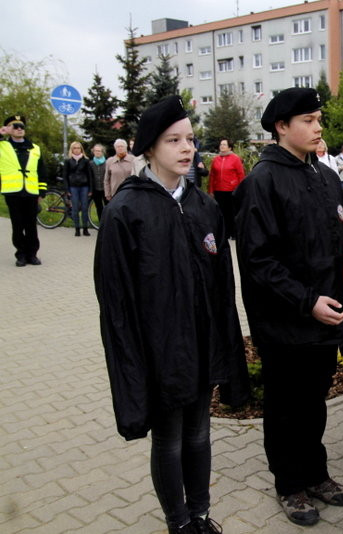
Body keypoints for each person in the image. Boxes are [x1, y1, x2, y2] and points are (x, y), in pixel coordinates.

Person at [94, 95, 249, 534]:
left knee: (200, 434)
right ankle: (178, 522)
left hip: (201, 348)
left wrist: (224, 345)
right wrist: (134, 363)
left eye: (191, 139)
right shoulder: (126, 212)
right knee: (170, 438)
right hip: (159, 354)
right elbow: (116, 303)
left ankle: (200, 513)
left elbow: (222, 289)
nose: (187, 149)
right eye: (173, 140)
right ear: (149, 147)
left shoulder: (205, 207)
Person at [233, 87, 343, 527]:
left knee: (314, 401)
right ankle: (289, 484)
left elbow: (341, 241)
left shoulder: (325, 176)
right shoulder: (262, 181)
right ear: (281, 127)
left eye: (319, 119)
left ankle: (316, 474)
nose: (318, 127)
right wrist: (306, 301)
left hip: (324, 318)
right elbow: (257, 262)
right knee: (285, 405)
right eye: (309, 120)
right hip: (285, 322)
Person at [0, 115, 46, 267]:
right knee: (17, 226)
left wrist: (41, 192)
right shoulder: (2, 146)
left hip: (31, 192)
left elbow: (41, 171)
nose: (19, 129)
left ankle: (32, 254)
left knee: (31, 225)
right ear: (8, 129)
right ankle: (21, 254)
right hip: (13, 192)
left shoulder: (34, 148)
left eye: (22, 126)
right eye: (15, 126)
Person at [208, 138, 245, 240]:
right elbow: (212, 176)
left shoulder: (235, 159)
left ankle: (234, 233)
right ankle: (225, 233)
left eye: (224, 144)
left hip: (231, 190)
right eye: (221, 144)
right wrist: (211, 190)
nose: (222, 146)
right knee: (221, 213)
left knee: (232, 213)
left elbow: (241, 174)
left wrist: (240, 189)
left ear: (229, 147)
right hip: (219, 190)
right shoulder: (216, 159)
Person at [63, 141, 94, 236]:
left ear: (81, 149)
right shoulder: (68, 161)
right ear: (71, 149)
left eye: (78, 148)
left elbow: (90, 175)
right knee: (75, 208)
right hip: (73, 187)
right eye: (74, 148)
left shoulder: (86, 160)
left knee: (85, 208)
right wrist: (67, 190)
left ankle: (85, 228)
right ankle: (77, 228)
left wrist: (91, 189)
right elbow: (65, 176)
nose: (77, 150)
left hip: (84, 187)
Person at [88, 144, 107, 223]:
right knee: (99, 207)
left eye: (99, 151)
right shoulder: (91, 163)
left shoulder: (107, 162)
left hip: (105, 189)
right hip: (95, 189)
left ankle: (108, 223)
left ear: (102, 152)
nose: (97, 152)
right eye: (96, 151)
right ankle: (101, 224)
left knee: (108, 207)